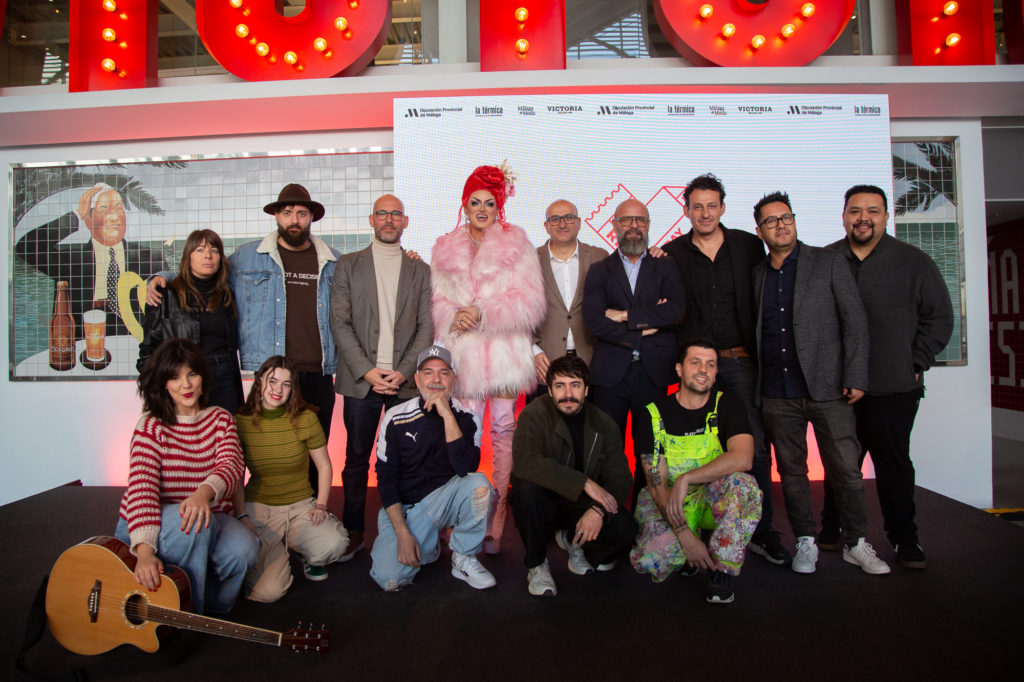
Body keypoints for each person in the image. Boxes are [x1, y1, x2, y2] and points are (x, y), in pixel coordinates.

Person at [148, 184, 340, 495]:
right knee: (264, 453)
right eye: (287, 212)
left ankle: (307, 517)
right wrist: (162, 278)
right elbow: (203, 271)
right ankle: (260, 514)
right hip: (270, 375)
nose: (294, 219)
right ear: (276, 216)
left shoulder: (333, 261)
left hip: (318, 372)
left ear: (311, 218)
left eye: (302, 213)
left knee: (313, 451)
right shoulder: (248, 257)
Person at [752, 191, 889, 575]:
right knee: (792, 472)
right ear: (759, 229)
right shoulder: (758, 274)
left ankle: (856, 543)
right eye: (771, 221)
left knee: (846, 469)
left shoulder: (827, 262)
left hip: (830, 389)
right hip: (777, 393)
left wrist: (855, 376)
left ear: (794, 220)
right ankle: (805, 541)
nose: (780, 225)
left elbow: (855, 321)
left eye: (786, 217)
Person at [818, 185, 954, 569]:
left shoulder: (913, 262)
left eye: (873, 211)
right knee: (840, 465)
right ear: (843, 216)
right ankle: (833, 529)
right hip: (838, 388)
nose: (863, 218)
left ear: (886, 216)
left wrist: (916, 359)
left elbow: (939, 317)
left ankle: (905, 539)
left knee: (893, 466)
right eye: (855, 211)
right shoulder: (825, 260)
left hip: (892, 386)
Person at [660, 173, 786, 566]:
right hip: (694, 366)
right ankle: (692, 527)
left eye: (712, 205)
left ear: (723, 208)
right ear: (687, 210)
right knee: (689, 445)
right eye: (697, 206)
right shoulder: (673, 252)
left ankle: (762, 531)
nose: (705, 213)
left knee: (754, 447)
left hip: (740, 359)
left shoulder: (748, 245)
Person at [430, 164, 546, 554]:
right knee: (466, 431)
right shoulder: (444, 247)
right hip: (463, 357)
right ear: (464, 205)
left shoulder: (517, 244)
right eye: (475, 202)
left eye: (489, 203)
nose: (482, 209)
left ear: (500, 208)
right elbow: (438, 303)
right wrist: (454, 315)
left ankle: (496, 517)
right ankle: (465, 513)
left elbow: (529, 301)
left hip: (505, 355)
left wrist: (481, 309)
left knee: (503, 433)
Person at [114, 338, 258, 614]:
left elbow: (230, 467)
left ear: (203, 377)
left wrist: (203, 493)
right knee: (194, 522)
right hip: (150, 520)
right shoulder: (151, 424)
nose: (186, 384)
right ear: (163, 383)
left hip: (204, 515)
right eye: (175, 377)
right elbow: (141, 489)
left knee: (245, 549)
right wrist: (144, 550)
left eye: (192, 374)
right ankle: (186, 614)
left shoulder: (220, 418)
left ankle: (214, 611)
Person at [330, 194, 433, 560]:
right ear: (371, 220)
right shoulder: (348, 265)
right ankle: (354, 531)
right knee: (356, 459)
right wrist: (368, 371)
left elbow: (426, 328)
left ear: (405, 222)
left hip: (404, 385)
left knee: (407, 459)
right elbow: (339, 323)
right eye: (382, 213)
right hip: (362, 381)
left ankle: (406, 531)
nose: (389, 219)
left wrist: (403, 372)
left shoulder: (421, 270)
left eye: (396, 214)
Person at [630, 340, 762, 604]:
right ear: (679, 369)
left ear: (715, 374)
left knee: (745, 489)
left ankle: (721, 568)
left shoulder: (728, 404)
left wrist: (687, 478)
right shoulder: (653, 414)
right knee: (657, 560)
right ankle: (689, 551)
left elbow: (743, 458)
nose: (703, 369)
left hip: (714, 496)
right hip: (670, 500)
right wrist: (685, 537)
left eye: (710, 365)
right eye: (695, 362)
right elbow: (656, 485)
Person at [582, 198, 686, 508]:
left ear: (648, 225)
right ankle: (607, 514)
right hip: (609, 375)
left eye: (640, 220)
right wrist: (644, 329)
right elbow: (595, 321)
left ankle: (646, 514)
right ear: (613, 226)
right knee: (606, 448)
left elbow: (676, 312)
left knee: (651, 448)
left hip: (653, 373)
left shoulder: (666, 265)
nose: (634, 227)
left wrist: (626, 316)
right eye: (626, 220)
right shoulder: (599, 270)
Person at [370, 345, 496, 592]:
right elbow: (386, 479)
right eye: (428, 372)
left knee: (479, 485)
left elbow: (465, 468)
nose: (436, 380)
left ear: (454, 380)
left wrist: (447, 414)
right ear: (417, 380)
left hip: (444, 501)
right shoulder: (395, 417)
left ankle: (463, 556)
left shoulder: (467, 417)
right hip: (406, 509)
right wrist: (403, 533)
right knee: (389, 579)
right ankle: (426, 543)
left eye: (444, 373)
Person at [510, 355, 635, 597]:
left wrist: (598, 509)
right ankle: (536, 565)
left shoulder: (604, 423)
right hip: (543, 502)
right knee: (524, 490)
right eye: (560, 386)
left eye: (575, 385)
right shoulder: (533, 415)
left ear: (586, 390)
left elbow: (620, 476)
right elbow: (525, 462)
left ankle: (572, 540)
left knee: (625, 529)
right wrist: (584, 482)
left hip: (579, 505)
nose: (568, 393)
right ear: (549, 390)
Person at [232, 356, 349, 602]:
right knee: (267, 594)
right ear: (259, 380)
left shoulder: (306, 418)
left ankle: (303, 552)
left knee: (335, 543)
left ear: (293, 389)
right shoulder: (240, 422)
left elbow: (325, 466)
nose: (278, 389)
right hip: (261, 510)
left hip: (300, 507)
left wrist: (321, 505)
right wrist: (242, 515)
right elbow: (234, 474)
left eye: (286, 384)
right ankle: (278, 553)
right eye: (272, 381)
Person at [16, 183, 167, 338]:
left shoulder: (151, 259)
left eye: (118, 208)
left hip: (138, 341)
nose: (114, 216)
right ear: (88, 221)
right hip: (85, 341)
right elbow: (26, 246)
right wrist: (77, 215)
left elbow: (172, 308)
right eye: (104, 209)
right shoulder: (69, 261)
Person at [137, 229, 243, 413]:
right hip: (185, 378)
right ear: (189, 257)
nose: (208, 256)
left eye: (214, 250)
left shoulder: (227, 295)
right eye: (200, 250)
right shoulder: (165, 295)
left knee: (227, 435)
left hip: (224, 375)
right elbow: (147, 352)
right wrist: (162, 386)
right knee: (187, 437)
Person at [531, 200, 609, 394]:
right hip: (544, 362)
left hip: (591, 360)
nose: (563, 224)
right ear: (546, 226)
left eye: (569, 217)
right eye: (555, 219)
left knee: (588, 423)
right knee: (544, 423)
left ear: (579, 222)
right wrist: (532, 351)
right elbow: (516, 313)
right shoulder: (529, 260)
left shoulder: (600, 257)